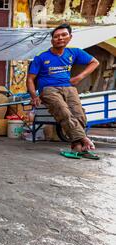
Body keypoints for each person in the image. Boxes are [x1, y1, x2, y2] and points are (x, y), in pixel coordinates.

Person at [26, 23, 100, 153]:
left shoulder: (74, 52)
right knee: (63, 111)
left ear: (70, 37)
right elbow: (30, 79)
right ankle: (84, 139)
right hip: (48, 89)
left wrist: (78, 78)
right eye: (56, 36)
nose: (60, 38)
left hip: (69, 88)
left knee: (79, 115)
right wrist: (34, 95)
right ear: (52, 40)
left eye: (64, 35)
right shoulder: (41, 57)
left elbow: (95, 62)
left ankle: (77, 145)